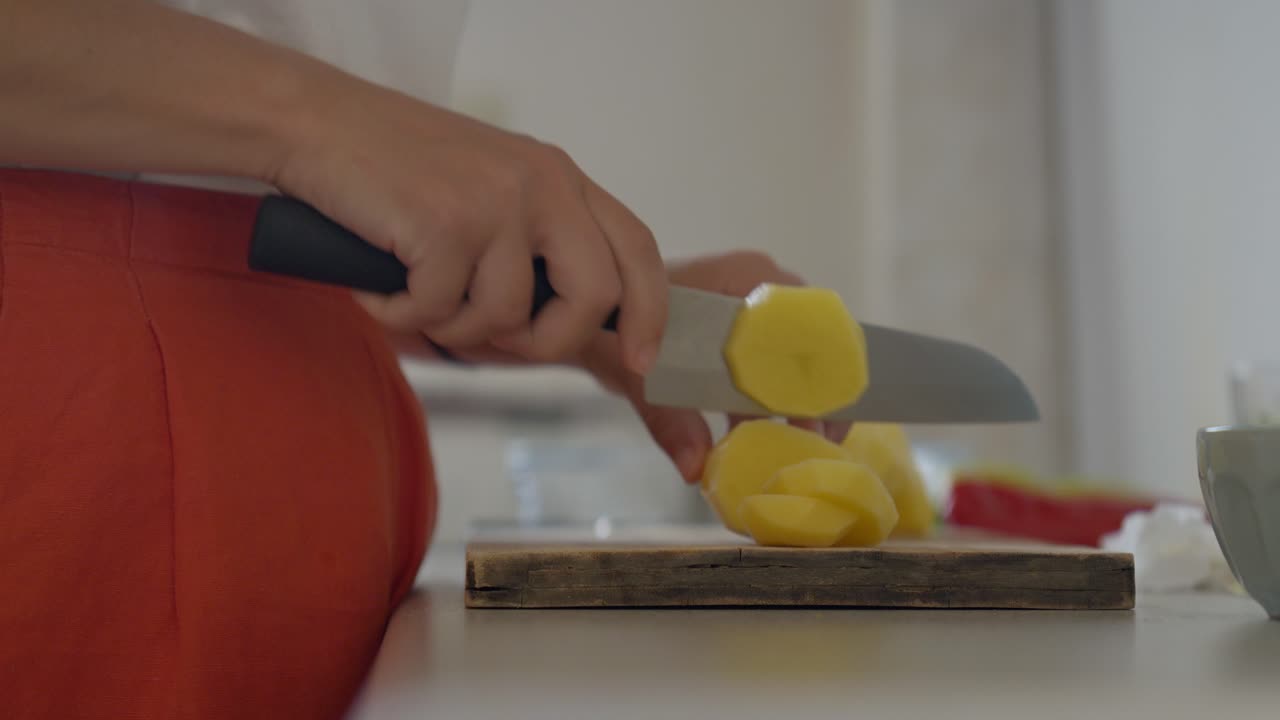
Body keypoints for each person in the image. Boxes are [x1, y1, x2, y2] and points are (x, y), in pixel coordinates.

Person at [0, 1, 845, 717]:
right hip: (67, 465)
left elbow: (262, 234)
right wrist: (320, 118)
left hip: (321, 499)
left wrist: (592, 312)